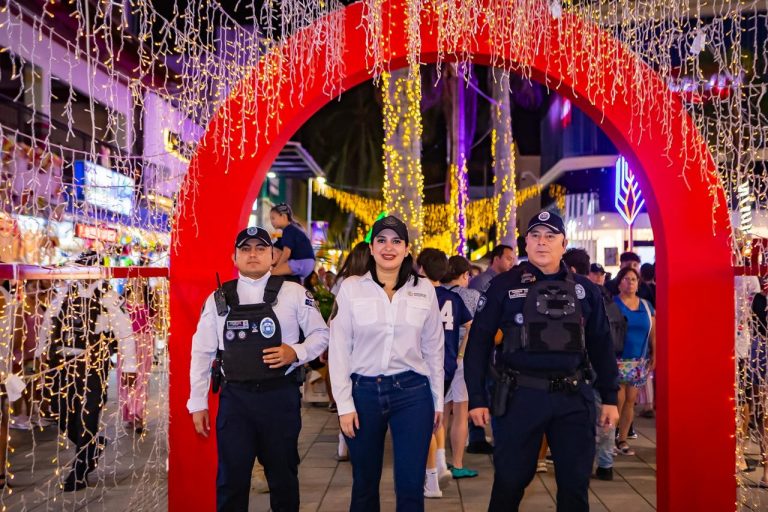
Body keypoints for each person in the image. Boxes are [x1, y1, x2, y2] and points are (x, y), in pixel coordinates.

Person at [464, 211, 620, 512]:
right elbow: (479, 343)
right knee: (509, 482)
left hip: (573, 398)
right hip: (520, 396)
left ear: (564, 243)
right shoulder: (502, 286)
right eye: (535, 235)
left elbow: (602, 343)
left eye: (550, 236)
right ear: (525, 243)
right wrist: (477, 398)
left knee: (575, 488)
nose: (542, 242)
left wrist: (610, 396)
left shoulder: (586, 290)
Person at [187, 227, 330, 511]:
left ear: (273, 256)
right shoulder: (218, 298)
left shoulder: (293, 293)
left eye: (261, 249)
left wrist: (296, 352)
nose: (253, 254)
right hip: (236, 401)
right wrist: (197, 402)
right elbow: (202, 351)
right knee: (231, 481)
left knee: (283, 478)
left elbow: (321, 334)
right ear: (234, 256)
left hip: (279, 399)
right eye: (246, 249)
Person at [329, 215, 444, 512]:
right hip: (364, 393)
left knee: (410, 486)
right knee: (364, 484)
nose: (388, 247)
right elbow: (339, 349)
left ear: (406, 249)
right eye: (381, 240)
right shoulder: (352, 288)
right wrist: (344, 405)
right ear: (371, 247)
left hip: (413, 393)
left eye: (396, 241)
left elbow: (434, 350)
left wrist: (438, 402)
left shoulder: (424, 289)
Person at [41, 250, 137, 491]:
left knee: (88, 415)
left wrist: (130, 366)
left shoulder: (108, 297)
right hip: (61, 364)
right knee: (58, 412)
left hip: (93, 365)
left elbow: (125, 332)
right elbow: (48, 321)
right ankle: (93, 445)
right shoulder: (64, 293)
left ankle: (81, 469)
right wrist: (42, 351)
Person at [416, 248, 474, 498]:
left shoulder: (419, 294)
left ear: (420, 268)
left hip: (423, 364)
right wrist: (460, 354)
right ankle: (440, 463)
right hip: (448, 363)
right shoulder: (454, 299)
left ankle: (432, 475)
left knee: (424, 419)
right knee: (437, 412)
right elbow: (471, 326)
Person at [466, 243, 516, 454]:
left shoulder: (503, 281)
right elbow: (480, 317)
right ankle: (477, 437)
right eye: (507, 258)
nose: (511, 262)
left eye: (513, 258)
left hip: (497, 345)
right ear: (496, 259)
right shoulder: (485, 282)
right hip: (487, 343)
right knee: (487, 388)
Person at [440, 255, 482, 479]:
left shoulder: (435, 294)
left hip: (440, 358)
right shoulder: (472, 296)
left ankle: (438, 460)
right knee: (461, 412)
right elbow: (476, 327)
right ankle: (456, 463)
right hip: (463, 359)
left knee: (442, 412)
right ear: (465, 274)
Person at [329, 241, 371, 461]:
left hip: (346, 342)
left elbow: (334, 312)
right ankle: (350, 438)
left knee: (345, 390)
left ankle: (343, 439)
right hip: (363, 347)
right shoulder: (370, 283)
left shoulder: (341, 282)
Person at [613, 266, 655, 457]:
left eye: (633, 279)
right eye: (626, 279)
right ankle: (610, 439)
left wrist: (655, 354)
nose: (630, 282)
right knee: (618, 399)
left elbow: (654, 332)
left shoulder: (646, 306)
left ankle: (622, 438)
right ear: (619, 282)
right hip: (617, 358)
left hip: (640, 359)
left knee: (631, 401)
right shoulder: (613, 304)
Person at [118, 280, 154, 434]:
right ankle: (129, 413)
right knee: (126, 380)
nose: (137, 281)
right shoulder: (121, 301)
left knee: (141, 380)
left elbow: (155, 321)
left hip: (145, 342)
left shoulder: (150, 300)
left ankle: (139, 414)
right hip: (126, 342)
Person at [269, 204, 316, 282]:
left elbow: (286, 253)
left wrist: (277, 267)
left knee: (272, 274)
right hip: (308, 263)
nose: (271, 222)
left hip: (301, 262)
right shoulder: (294, 229)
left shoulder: (288, 230)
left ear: (283, 217)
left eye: (273, 218)